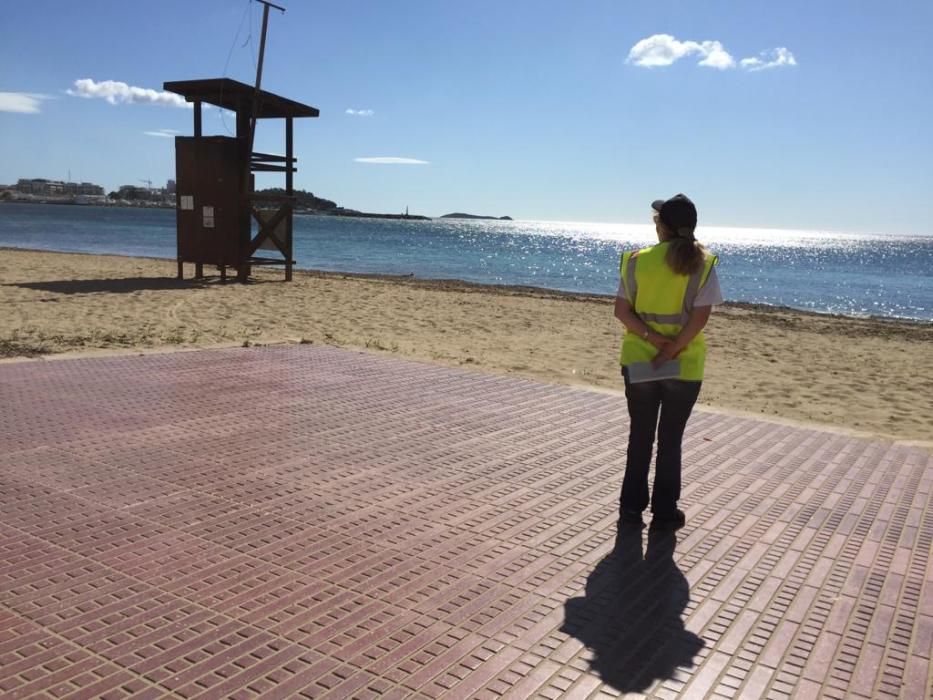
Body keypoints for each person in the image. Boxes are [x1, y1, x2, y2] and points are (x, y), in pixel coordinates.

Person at [613, 194, 722, 531]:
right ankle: (665, 512)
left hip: (642, 362)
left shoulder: (635, 261)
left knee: (641, 436)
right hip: (684, 366)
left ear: (661, 226)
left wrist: (655, 342)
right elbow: (700, 319)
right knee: (670, 439)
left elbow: (622, 312)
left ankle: (631, 508)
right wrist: (673, 349)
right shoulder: (703, 264)